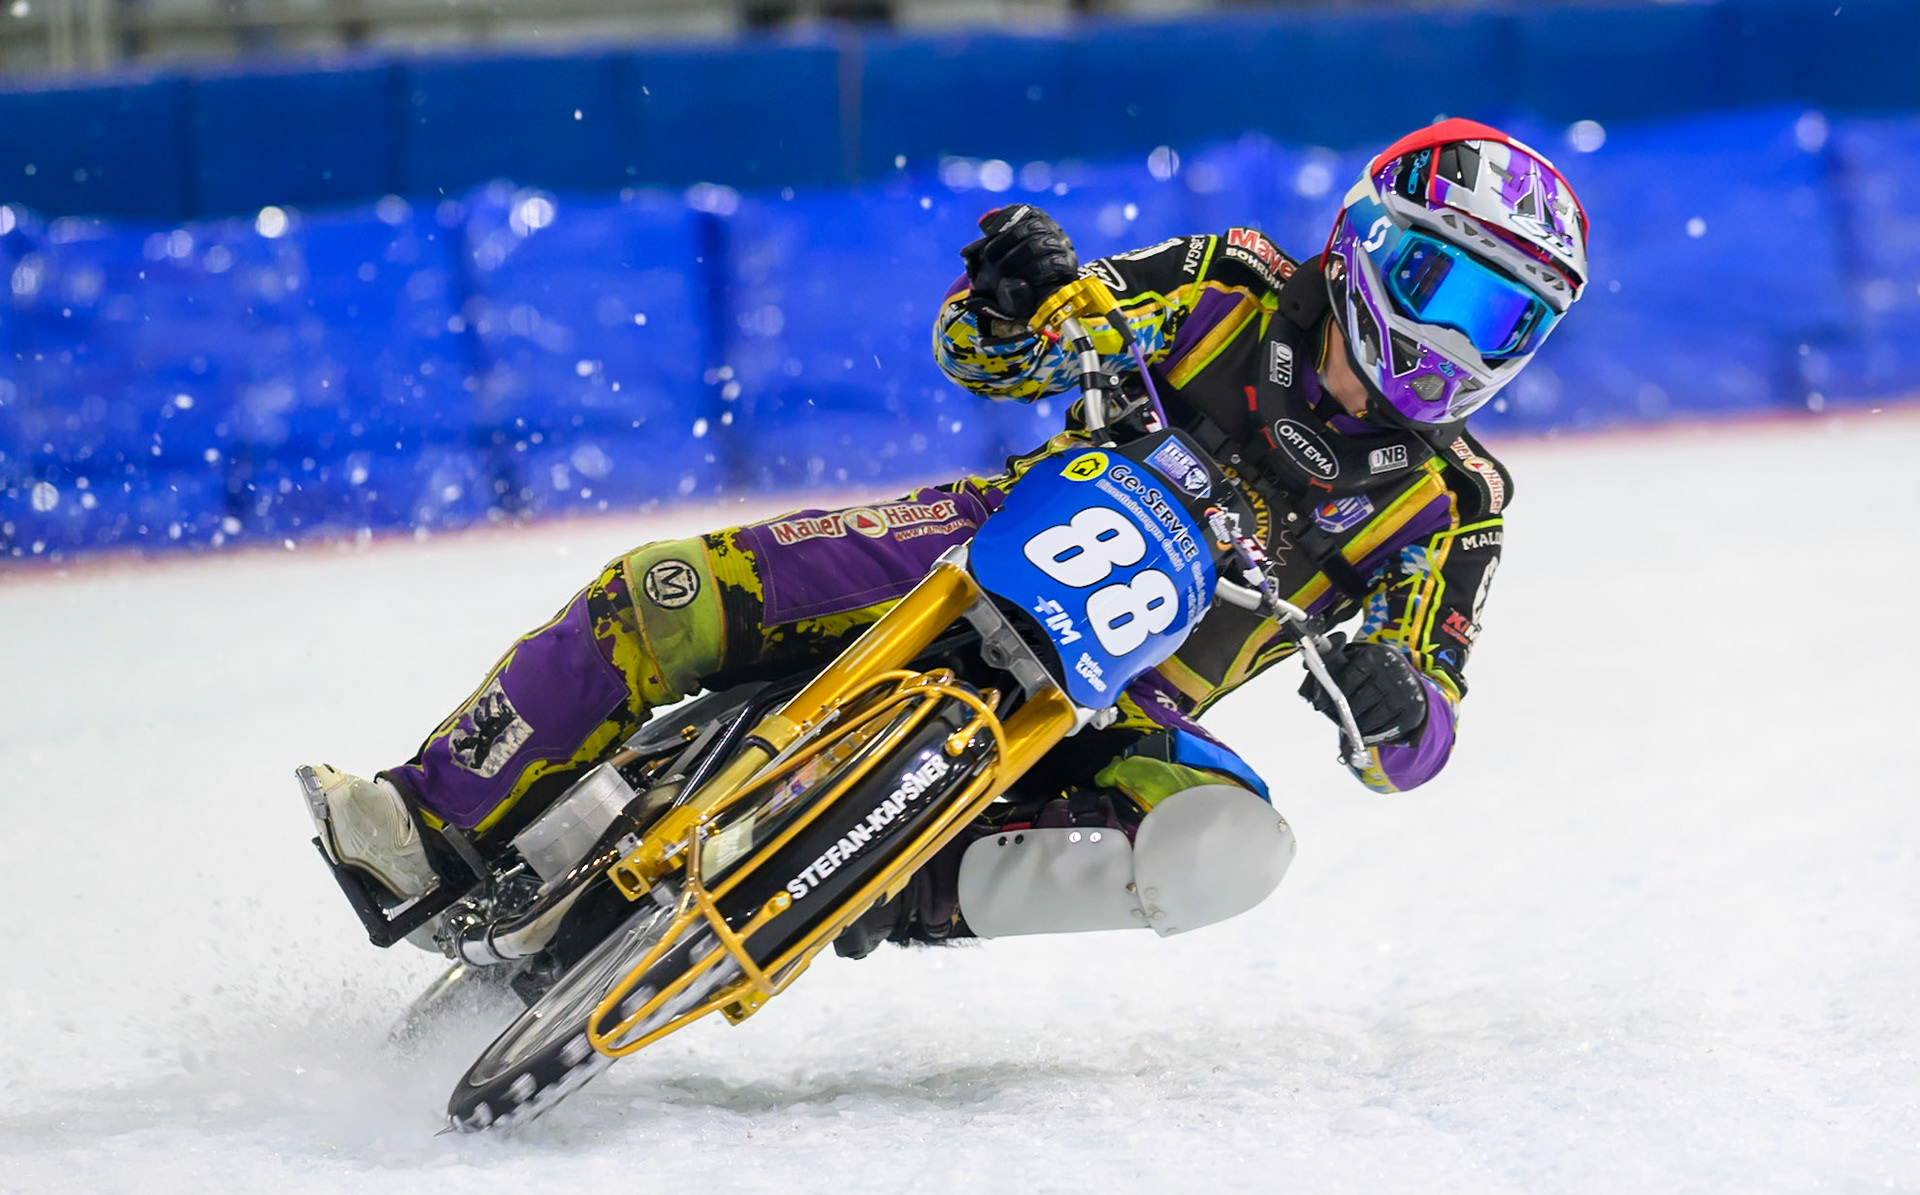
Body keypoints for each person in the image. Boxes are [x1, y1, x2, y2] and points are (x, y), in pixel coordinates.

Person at [300, 119, 1587, 955]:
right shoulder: (1233, 278)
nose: (1461, 345)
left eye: (1510, 323)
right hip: (970, 545)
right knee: (668, 592)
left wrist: (1388, 696)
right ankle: (427, 822)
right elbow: (995, 351)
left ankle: (890, 888)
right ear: (1367, 245)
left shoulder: (1457, 504)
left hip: (1128, 703)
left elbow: (1416, 750)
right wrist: (1010, 292)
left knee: (1230, 844)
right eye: (1448, 288)